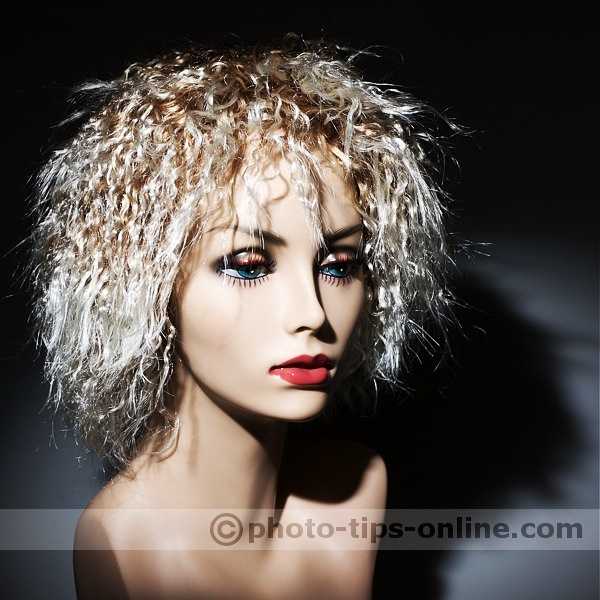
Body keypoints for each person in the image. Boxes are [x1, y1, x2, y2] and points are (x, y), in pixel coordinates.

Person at [27, 34, 459, 599]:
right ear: (145, 284)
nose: (312, 314)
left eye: (339, 264)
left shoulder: (357, 486)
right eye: (248, 266)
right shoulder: (122, 546)